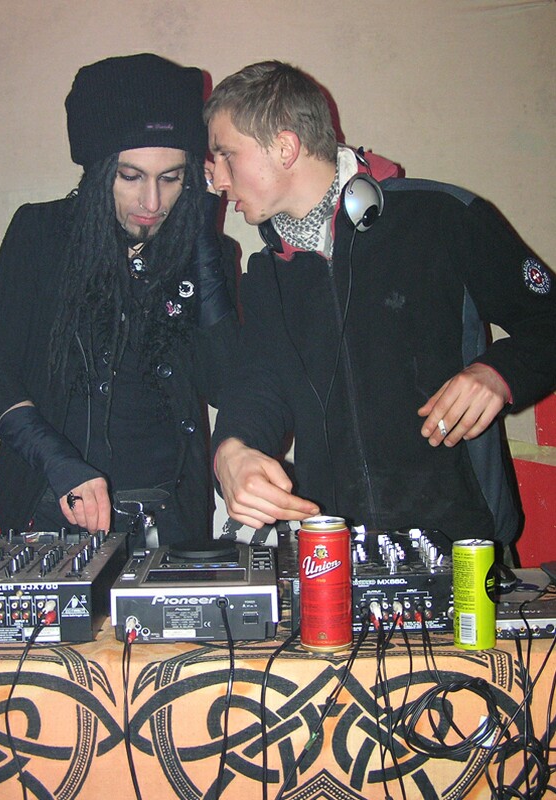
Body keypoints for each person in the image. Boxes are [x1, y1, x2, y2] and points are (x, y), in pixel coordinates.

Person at [204, 60, 556, 557]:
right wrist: (231, 449)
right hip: (334, 555)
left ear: (284, 148)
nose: (217, 179)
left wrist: (498, 373)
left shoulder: (442, 218)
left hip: (465, 545)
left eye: (225, 155)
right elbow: (258, 387)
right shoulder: (267, 275)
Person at [0, 54, 237, 546]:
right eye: (130, 176)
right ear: (98, 172)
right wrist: (57, 460)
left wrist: (202, 232)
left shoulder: (205, 254)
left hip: (172, 519)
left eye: (172, 178)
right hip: (54, 509)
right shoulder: (41, 235)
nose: (152, 202)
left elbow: (225, 384)